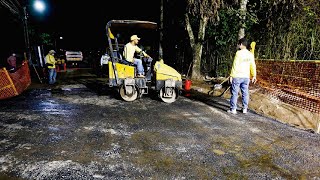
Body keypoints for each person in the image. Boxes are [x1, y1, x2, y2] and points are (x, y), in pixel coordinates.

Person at [227, 38, 257, 114]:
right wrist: (254, 75)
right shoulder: (250, 54)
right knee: (245, 93)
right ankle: (245, 109)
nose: (238, 45)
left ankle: (233, 109)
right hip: (246, 77)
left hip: (237, 76)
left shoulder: (238, 53)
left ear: (241, 44)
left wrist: (231, 75)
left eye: (238, 44)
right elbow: (252, 65)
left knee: (235, 93)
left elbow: (235, 65)